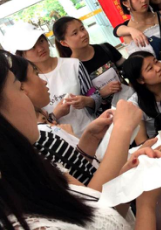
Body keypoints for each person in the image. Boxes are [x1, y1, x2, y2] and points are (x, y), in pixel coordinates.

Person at [0, 51, 161, 230]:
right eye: (18, 87)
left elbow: (97, 214)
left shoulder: (31, 171)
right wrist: (145, 203)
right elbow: (96, 195)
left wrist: (126, 175)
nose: (43, 80)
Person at [8, 51, 152, 191]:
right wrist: (122, 131)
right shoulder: (37, 139)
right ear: (21, 88)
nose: (44, 81)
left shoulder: (40, 133)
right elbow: (93, 196)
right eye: (36, 74)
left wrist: (91, 136)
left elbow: (79, 169)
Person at [6, 22, 101, 136]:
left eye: (41, 41)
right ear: (20, 55)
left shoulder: (73, 64)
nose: (40, 48)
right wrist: (55, 115)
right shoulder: (24, 84)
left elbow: (94, 95)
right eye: (32, 47)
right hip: (62, 141)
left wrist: (86, 101)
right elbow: (33, 127)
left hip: (93, 131)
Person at [54, 16, 128, 111]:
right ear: (64, 43)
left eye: (82, 28)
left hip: (130, 100)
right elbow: (80, 102)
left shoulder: (105, 48)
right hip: (107, 115)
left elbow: (128, 70)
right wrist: (101, 93)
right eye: (75, 33)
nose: (83, 34)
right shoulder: (71, 69)